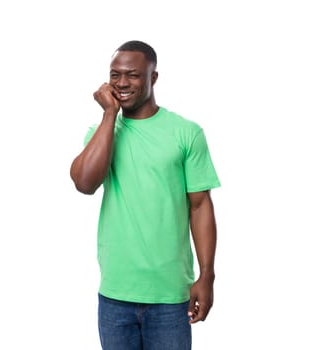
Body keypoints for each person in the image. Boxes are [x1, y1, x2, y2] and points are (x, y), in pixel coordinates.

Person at [70, 40, 221, 350]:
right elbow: (84, 183)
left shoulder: (185, 132)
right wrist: (110, 116)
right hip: (115, 293)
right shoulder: (102, 134)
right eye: (115, 74)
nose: (122, 82)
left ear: (153, 78)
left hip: (169, 295)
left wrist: (207, 275)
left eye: (133, 75)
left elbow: (200, 206)